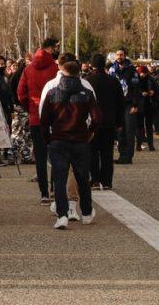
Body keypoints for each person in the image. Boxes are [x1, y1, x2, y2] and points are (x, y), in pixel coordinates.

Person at [39, 56, 100, 230]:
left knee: (59, 180)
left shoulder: (52, 92)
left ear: (62, 72)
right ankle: (86, 212)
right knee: (82, 178)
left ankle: (62, 215)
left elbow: (44, 120)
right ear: (79, 73)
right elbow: (97, 118)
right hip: (80, 140)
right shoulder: (86, 93)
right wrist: (90, 132)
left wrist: (48, 138)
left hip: (58, 140)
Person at [17, 38, 60, 203]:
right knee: (56, 155)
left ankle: (43, 193)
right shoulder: (56, 68)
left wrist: (31, 109)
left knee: (40, 156)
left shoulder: (28, 69)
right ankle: (54, 189)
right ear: (49, 49)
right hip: (54, 118)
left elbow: (21, 93)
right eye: (56, 47)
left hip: (36, 116)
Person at [85, 55, 123, 190]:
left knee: (92, 152)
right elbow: (120, 103)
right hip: (109, 121)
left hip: (92, 122)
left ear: (92, 65)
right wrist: (119, 121)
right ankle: (106, 181)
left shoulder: (87, 81)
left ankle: (94, 180)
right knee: (107, 153)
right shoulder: (113, 81)